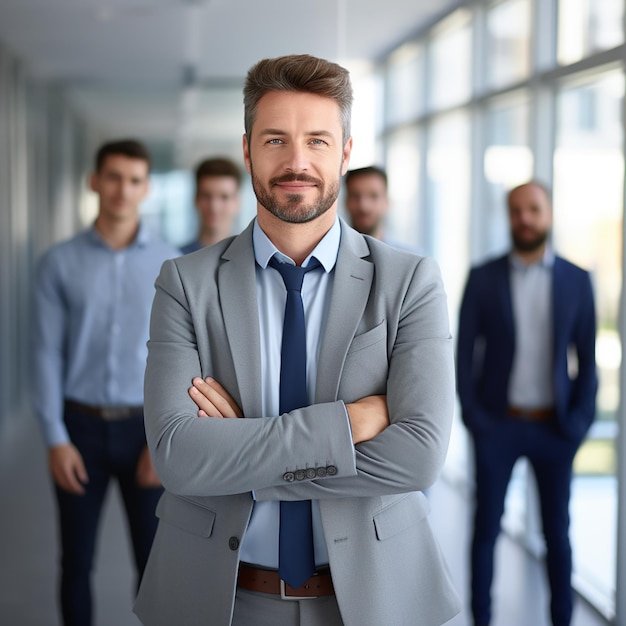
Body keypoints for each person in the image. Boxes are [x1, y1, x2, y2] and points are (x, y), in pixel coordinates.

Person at [134, 54, 461, 626]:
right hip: (223, 597)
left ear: (346, 152)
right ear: (247, 150)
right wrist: (345, 426)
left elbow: (419, 456)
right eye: (275, 140)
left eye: (316, 140)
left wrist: (242, 452)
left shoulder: (409, 281)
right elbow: (179, 459)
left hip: (373, 597)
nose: (296, 161)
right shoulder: (185, 283)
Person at [32, 139, 180, 626]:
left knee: (155, 566)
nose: (122, 190)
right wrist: (55, 439)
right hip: (81, 430)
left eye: (134, 180)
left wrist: (163, 441)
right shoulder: (58, 262)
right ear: (94, 182)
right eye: (113, 177)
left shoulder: (172, 264)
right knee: (75, 563)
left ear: (146, 188)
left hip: (146, 430)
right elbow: (46, 352)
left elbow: (181, 360)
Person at [456, 181, 597, 626]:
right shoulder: (483, 277)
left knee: (557, 533)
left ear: (549, 213)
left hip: (555, 429)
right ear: (508, 216)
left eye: (533, 209)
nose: (525, 218)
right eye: (516, 210)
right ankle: (482, 619)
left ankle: (562, 620)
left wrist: (579, 421)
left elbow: (589, 359)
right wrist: (474, 417)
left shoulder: (577, 280)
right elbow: (463, 354)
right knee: (486, 531)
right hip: (497, 425)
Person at [180, 156, 242, 254]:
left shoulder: (252, 260)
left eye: (224, 197)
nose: (214, 207)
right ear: (195, 199)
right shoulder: (175, 259)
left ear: (237, 202)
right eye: (206, 196)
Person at [344, 165, 389, 240]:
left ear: (386, 202)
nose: (364, 206)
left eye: (373, 196)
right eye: (355, 196)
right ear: (346, 201)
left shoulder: (404, 251)